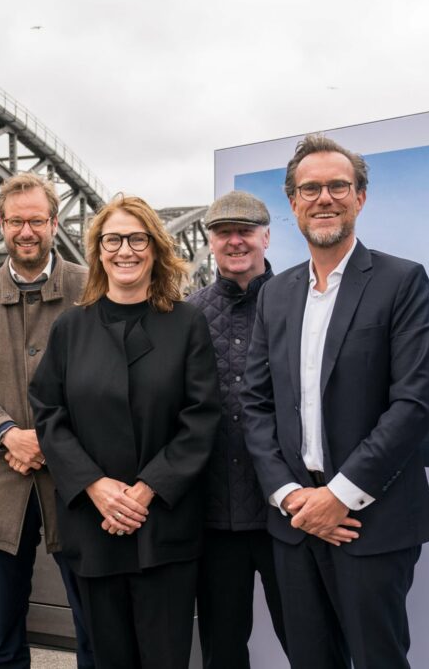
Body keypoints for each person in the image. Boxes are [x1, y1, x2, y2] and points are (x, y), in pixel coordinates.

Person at [242, 134, 429, 669]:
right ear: (292, 203)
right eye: (310, 188)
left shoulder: (401, 281)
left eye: (338, 186)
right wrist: (289, 495)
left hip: (371, 520)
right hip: (295, 520)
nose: (324, 198)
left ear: (360, 197)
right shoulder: (276, 293)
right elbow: (255, 404)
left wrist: (339, 495)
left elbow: (414, 403)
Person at [29, 194, 221, 669]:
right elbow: (48, 412)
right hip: (94, 526)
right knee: (107, 658)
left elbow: (201, 417)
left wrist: (146, 490)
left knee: (165, 658)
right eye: (112, 239)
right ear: (97, 252)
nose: (125, 250)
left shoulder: (186, 323)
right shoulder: (71, 327)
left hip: (164, 527)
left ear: (155, 248)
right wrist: (95, 486)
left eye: (137, 239)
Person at [0, 172, 93, 669]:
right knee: (1, 626)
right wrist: (7, 433)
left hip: (75, 476)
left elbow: (102, 383)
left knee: (91, 621)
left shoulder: (86, 285)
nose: (26, 232)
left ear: (55, 223)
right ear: (2, 225)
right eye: (16, 222)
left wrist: (49, 441)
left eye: (36, 220)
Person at [186, 191, 287, 668]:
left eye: (245, 231)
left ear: (266, 236)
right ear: (210, 242)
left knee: (309, 641)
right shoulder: (187, 314)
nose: (235, 241)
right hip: (214, 514)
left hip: (286, 510)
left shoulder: (298, 301)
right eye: (223, 232)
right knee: (222, 652)